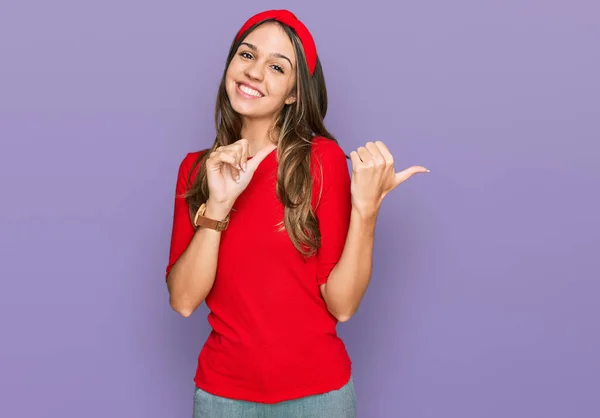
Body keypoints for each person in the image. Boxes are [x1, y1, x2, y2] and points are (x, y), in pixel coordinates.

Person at [165, 9, 428, 418]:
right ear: (230, 66)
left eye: (276, 66)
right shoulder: (197, 169)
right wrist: (218, 204)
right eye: (247, 56)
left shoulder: (320, 160)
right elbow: (183, 300)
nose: (254, 72)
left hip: (318, 399)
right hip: (222, 398)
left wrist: (366, 211)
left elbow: (342, 305)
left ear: (293, 93)